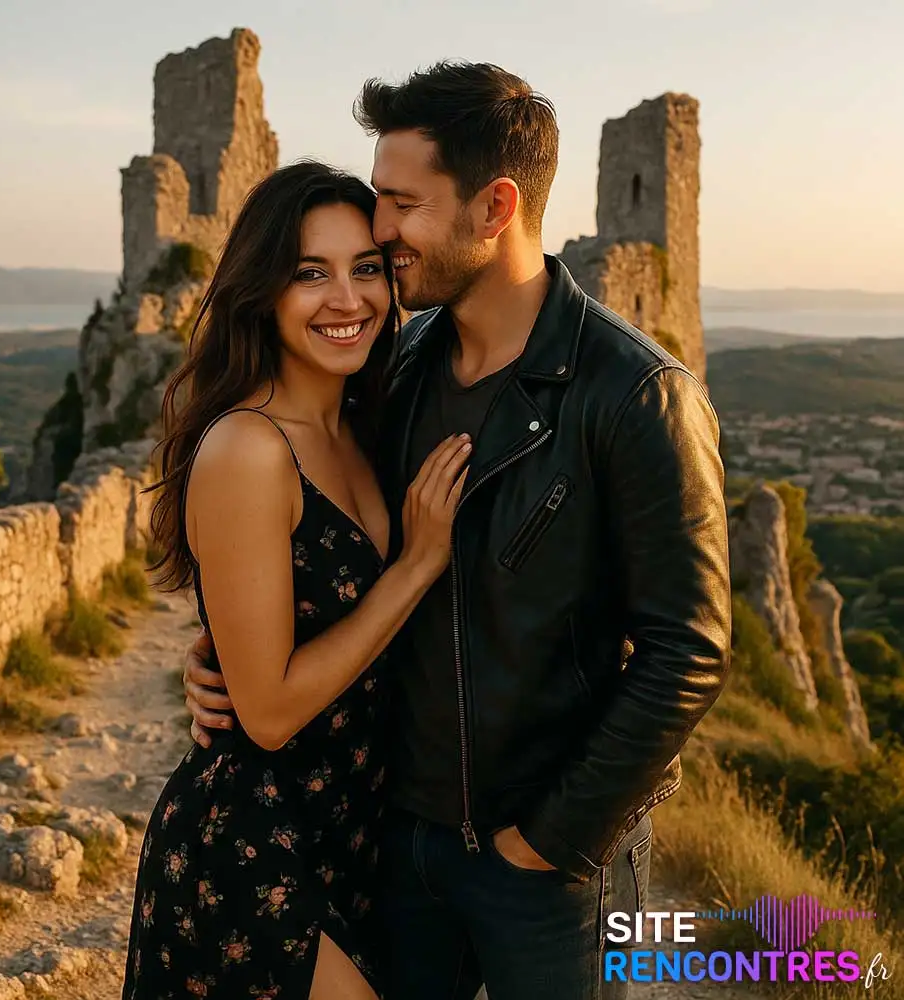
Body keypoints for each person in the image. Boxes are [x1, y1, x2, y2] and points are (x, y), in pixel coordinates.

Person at [183, 62, 732, 1000]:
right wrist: (221, 654)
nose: (380, 227)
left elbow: (689, 648)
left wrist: (544, 843)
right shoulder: (396, 373)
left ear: (493, 208)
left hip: (550, 873)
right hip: (394, 844)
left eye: (401, 203)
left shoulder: (637, 394)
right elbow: (319, 548)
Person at [122, 160, 472, 1000]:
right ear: (263, 291)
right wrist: (417, 564)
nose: (347, 300)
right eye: (310, 274)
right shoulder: (248, 448)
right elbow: (270, 714)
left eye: (367, 270)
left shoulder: (365, 422)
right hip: (251, 848)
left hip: (355, 834)